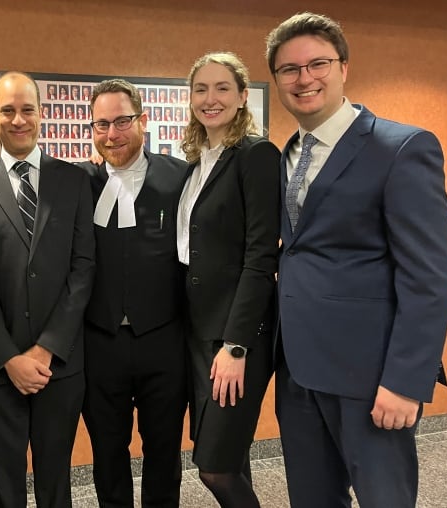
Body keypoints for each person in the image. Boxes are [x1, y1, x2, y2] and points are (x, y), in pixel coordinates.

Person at [265, 12, 447, 508]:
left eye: (318, 64)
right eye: (289, 69)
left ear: (344, 68)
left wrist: (405, 382)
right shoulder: (288, 152)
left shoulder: (401, 148)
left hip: (371, 377)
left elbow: (430, 278)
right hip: (300, 372)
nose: (304, 78)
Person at [0, 71, 95, 507]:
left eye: (27, 109)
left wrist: (45, 350)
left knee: (56, 476)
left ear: (42, 114)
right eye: (8, 110)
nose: (18, 119)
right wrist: (9, 357)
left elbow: (83, 269)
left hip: (60, 363)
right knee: (6, 479)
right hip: (0, 366)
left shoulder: (74, 180)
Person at [79, 79, 188, 508]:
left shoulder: (180, 176)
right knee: (107, 451)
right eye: (101, 124)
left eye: (121, 121)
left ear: (142, 120)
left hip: (163, 339)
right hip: (99, 342)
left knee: (163, 450)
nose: (111, 134)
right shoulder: (79, 182)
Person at [179, 52, 280, 508]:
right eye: (201, 89)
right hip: (197, 335)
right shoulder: (197, 160)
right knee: (231, 457)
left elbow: (260, 257)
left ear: (242, 96)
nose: (210, 98)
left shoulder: (255, 155)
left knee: (215, 466)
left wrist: (236, 344)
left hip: (236, 337)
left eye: (222, 88)